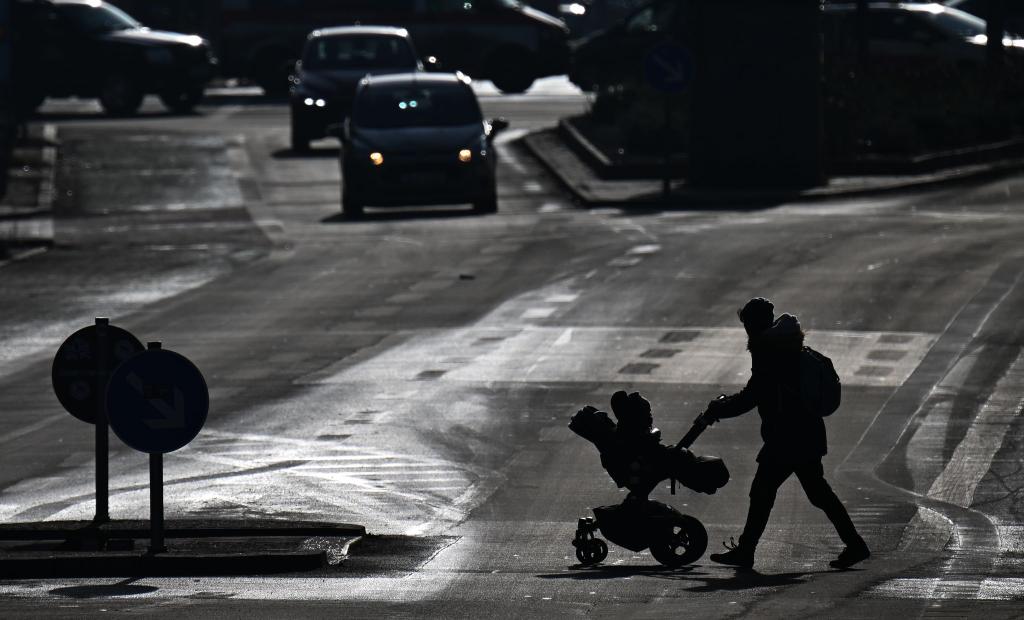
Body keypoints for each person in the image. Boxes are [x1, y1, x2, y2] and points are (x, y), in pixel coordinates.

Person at [701, 297, 869, 570]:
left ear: (753, 324)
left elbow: (752, 396)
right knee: (814, 493)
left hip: (788, 437)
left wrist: (718, 409)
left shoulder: (767, 352)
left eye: (747, 323)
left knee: (764, 491)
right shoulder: (786, 347)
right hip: (806, 433)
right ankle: (855, 544)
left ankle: (746, 551)